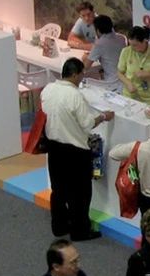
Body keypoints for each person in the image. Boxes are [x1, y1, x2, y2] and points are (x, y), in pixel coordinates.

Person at [41, 58, 115, 241]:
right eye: (82, 73)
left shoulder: (48, 89)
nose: (83, 76)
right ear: (74, 74)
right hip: (75, 151)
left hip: (54, 148)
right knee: (80, 194)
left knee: (58, 191)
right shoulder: (75, 96)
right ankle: (80, 230)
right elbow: (87, 123)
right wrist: (103, 117)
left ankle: (59, 225)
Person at [117, 25, 150, 106]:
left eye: (135, 45)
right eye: (130, 44)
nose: (132, 48)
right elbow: (119, 73)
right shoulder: (126, 51)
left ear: (145, 41)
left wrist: (148, 74)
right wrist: (128, 83)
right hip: (130, 97)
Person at [83, 15, 126, 90]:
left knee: (86, 79)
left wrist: (85, 58)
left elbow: (85, 67)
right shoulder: (122, 38)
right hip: (125, 80)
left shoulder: (100, 44)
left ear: (98, 30)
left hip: (111, 83)